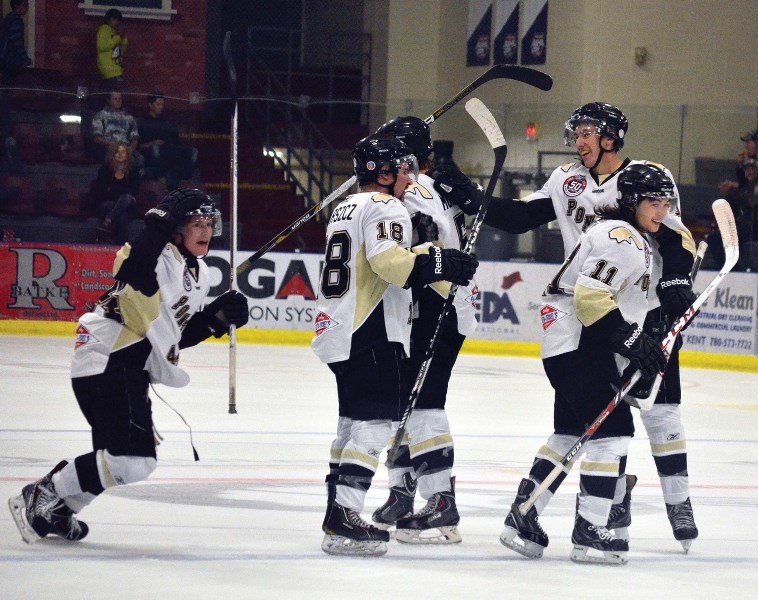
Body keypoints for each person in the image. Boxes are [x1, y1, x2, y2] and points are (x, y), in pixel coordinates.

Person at [482, 103, 699, 551]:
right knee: (611, 428)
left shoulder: (646, 181)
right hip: (594, 320)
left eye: (587, 132)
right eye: (576, 132)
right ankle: (598, 519)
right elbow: (525, 221)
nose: (579, 141)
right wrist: (471, 198)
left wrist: (675, 279)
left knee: (610, 421)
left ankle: (654, 505)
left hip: (625, 313)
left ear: (611, 138)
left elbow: (678, 241)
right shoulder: (587, 201)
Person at [8, 188, 249, 545]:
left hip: (127, 363)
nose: (206, 230)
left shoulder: (197, 274)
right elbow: (134, 268)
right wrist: (159, 220)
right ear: (176, 229)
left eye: (209, 223)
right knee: (131, 460)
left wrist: (214, 320)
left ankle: (60, 508)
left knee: (121, 458)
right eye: (196, 223)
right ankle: (44, 492)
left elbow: (173, 334)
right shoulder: (156, 254)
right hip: (109, 355)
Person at [314, 134, 478, 556]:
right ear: (382, 173)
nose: (410, 176)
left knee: (350, 424)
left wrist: (427, 251)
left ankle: (336, 511)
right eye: (402, 169)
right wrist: (442, 261)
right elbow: (389, 263)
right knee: (373, 424)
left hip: (336, 328)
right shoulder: (387, 206)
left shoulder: (344, 208)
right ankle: (345, 515)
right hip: (371, 327)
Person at [500, 163, 672, 564]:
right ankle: (590, 530)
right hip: (579, 343)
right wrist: (631, 340)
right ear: (631, 201)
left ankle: (522, 516)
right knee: (612, 433)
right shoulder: (623, 238)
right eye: (654, 202)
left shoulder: (621, 233)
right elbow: (591, 298)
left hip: (570, 343)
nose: (662, 211)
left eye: (666, 202)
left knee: (568, 434)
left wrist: (641, 331)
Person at [369, 116, 481, 544]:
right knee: (403, 401)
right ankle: (402, 489)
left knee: (424, 402)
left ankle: (441, 502)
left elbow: (426, 243)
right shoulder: (422, 187)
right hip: (420, 304)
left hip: (436, 303)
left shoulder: (415, 189)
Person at [138, 92, 199, 190]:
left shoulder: (166, 122)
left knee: (193, 151)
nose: (161, 107)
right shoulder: (142, 122)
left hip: (169, 150)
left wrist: (184, 136)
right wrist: (152, 143)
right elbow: (139, 146)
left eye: (162, 104)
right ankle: (161, 179)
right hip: (152, 152)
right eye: (158, 104)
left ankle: (185, 179)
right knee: (155, 149)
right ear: (150, 105)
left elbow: (176, 139)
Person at [0, 0, 31, 175]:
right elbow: (16, 41)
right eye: (24, 5)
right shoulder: (16, 21)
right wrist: (23, 58)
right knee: (8, 93)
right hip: (10, 63)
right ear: (19, 6)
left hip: (5, 63)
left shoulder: (7, 19)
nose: (26, 9)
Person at [710, 156, 757, 270]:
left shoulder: (752, 187)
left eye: (752, 169)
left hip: (754, 227)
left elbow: (752, 202)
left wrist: (734, 191)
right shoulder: (745, 187)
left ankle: (733, 267)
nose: (749, 172)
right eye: (746, 170)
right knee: (714, 237)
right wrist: (727, 193)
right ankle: (722, 266)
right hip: (743, 226)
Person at [93, 141, 141, 244]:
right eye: (117, 152)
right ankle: (120, 247)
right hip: (107, 204)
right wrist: (121, 195)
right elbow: (102, 191)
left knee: (127, 198)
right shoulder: (105, 170)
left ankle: (108, 221)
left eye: (123, 152)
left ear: (127, 154)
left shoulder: (133, 171)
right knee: (122, 215)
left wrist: (116, 192)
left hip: (127, 205)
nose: (120, 155)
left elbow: (134, 190)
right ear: (112, 154)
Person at [90, 91, 142, 168]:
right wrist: (114, 145)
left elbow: (135, 138)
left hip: (126, 147)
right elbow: (97, 138)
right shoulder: (100, 116)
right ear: (108, 100)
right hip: (108, 147)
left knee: (139, 159)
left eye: (119, 99)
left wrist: (131, 149)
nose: (118, 101)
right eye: (115, 99)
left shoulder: (129, 117)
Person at [96, 8, 128, 87]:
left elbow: (120, 51)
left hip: (116, 69)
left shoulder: (115, 33)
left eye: (118, 21)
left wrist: (122, 38)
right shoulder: (104, 30)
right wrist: (118, 37)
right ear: (109, 19)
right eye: (115, 20)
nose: (117, 23)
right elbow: (102, 46)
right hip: (109, 69)